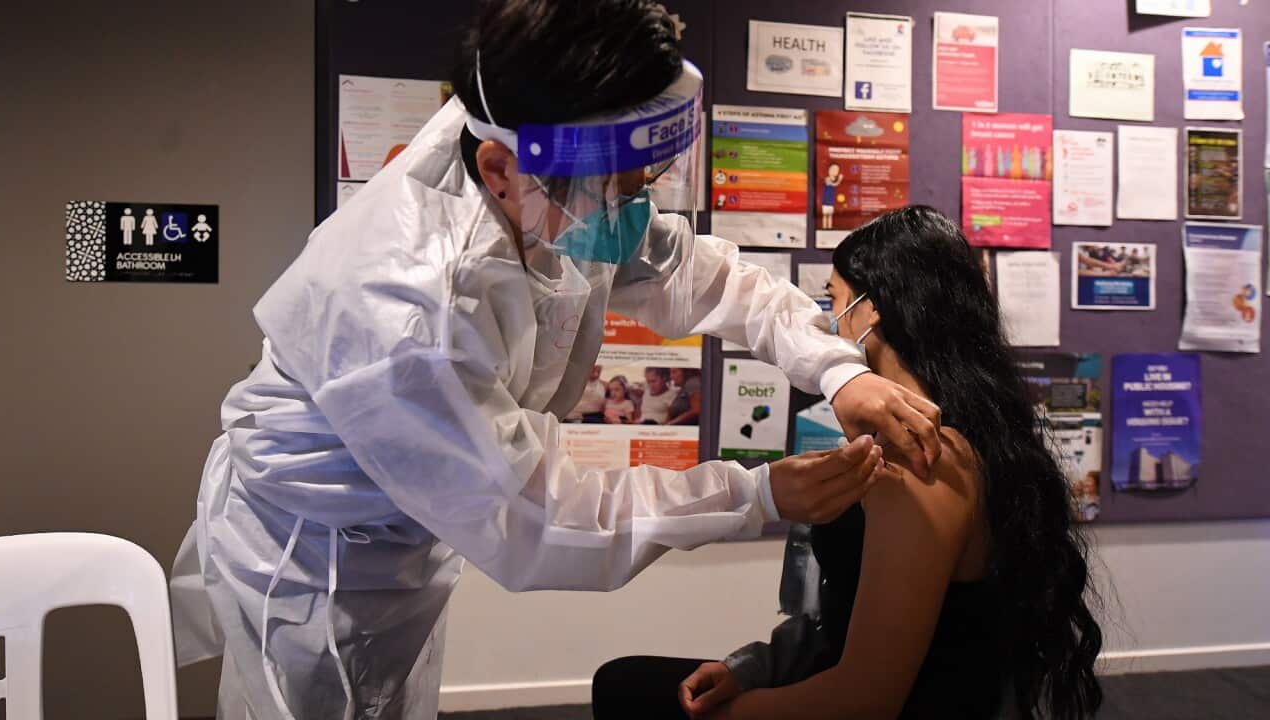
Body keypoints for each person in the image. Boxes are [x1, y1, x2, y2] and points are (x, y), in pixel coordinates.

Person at [168, 3, 942, 718]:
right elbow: (540, 519)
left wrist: (841, 371)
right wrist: (755, 495)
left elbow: (698, 276)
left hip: (410, 536)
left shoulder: (546, 176)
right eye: (621, 190)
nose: (638, 211)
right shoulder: (403, 309)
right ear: (503, 171)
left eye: (647, 184)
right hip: (318, 563)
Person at [593, 206, 1103, 720]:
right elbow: (839, 619)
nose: (827, 323)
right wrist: (750, 669)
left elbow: (863, 700)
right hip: (879, 681)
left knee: (624, 689)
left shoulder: (919, 464)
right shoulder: (969, 437)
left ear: (871, 310)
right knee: (627, 680)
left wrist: (730, 714)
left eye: (834, 301)